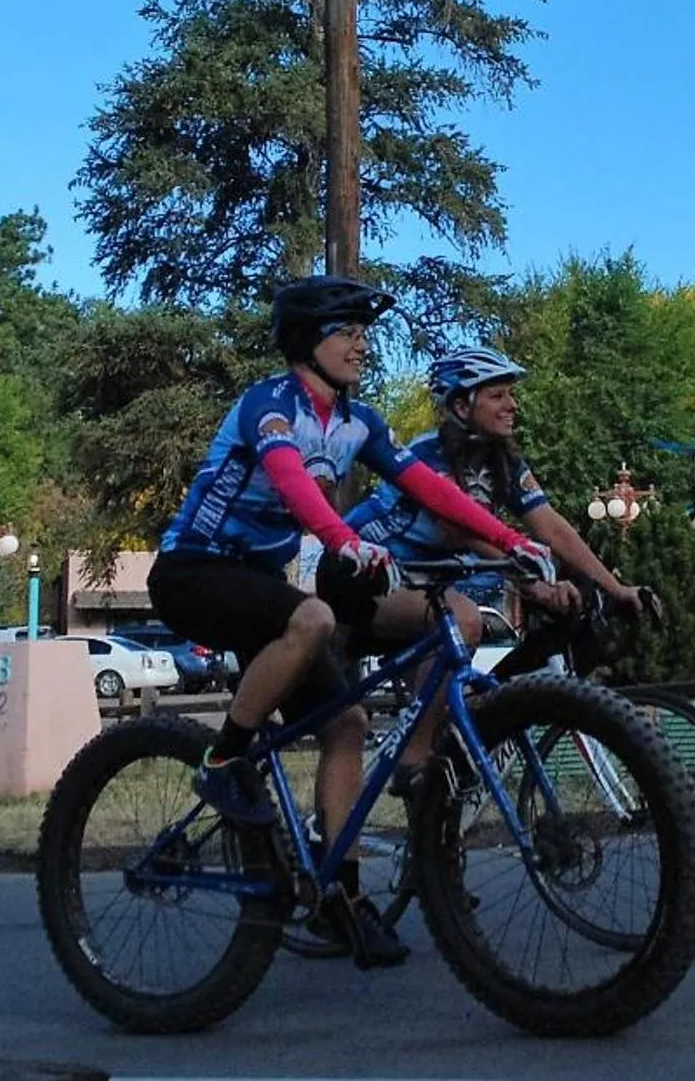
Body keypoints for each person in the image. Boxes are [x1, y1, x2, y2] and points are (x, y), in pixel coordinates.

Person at [147, 277, 556, 968]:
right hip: (192, 569)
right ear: (309, 340)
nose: (362, 343)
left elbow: (427, 486)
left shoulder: (357, 420)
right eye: (348, 331)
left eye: (365, 332)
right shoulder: (268, 405)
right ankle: (223, 761)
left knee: (347, 724)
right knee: (311, 616)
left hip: (255, 585)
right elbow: (292, 481)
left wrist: (511, 540)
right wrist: (345, 540)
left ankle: (339, 897)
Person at [344, 345, 651, 776]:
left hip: (424, 583)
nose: (512, 405)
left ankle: (432, 828)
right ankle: (413, 764)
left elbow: (552, 526)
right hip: (365, 576)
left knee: (448, 716)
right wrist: (533, 583)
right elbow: (459, 528)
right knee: (461, 621)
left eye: (511, 394)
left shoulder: (502, 461)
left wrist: (614, 588)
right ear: (460, 404)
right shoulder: (429, 453)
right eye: (498, 395)